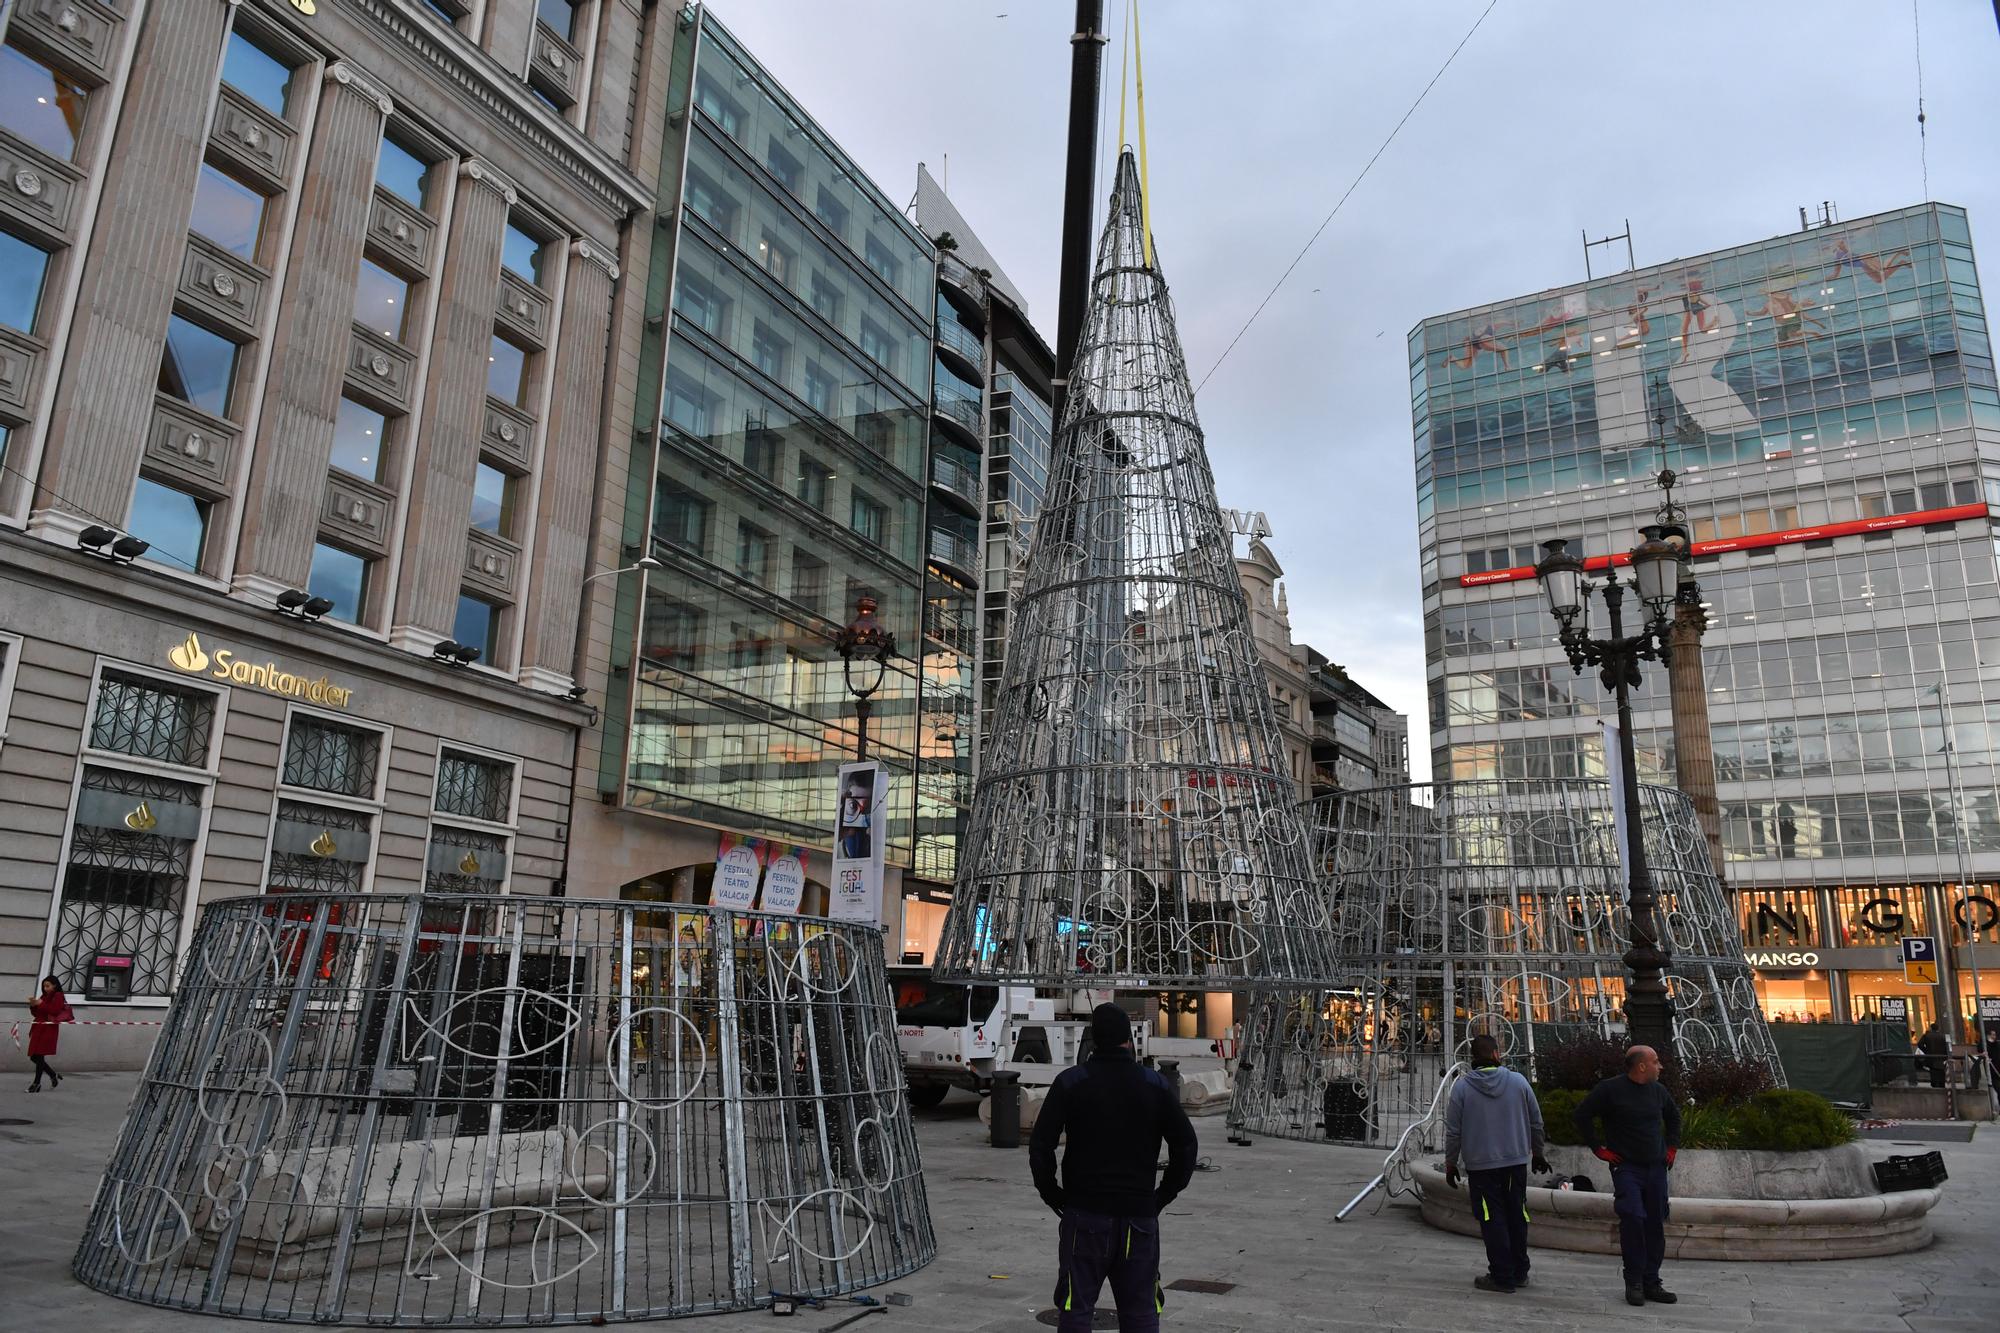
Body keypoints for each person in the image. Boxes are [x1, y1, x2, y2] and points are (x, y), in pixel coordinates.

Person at [1029, 1003, 1197, 1333]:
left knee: (1076, 1307)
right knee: (1141, 1311)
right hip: (1138, 1218)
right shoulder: (1155, 1085)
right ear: (1129, 1041)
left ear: (1094, 1042)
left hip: (1085, 1215)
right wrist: (1161, 1195)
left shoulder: (1071, 1082)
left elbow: (1041, 1144)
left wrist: (1052, 1193)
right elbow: (1186, 1146)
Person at [1573, 1045, 1682, 1307]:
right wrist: (1598, 1149)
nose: (1661, 1066)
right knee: (1632, 1217)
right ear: (1641, 1066)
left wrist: (1671, 1148)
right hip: (1627, 1168)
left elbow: (1674, 1117)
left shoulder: (1659, 1091)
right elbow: (1582, 1114)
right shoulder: (1610, 1090)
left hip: (1656, 1167)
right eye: (1656, 1062)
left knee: (1655, 1223)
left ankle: (1651, 1281)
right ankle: (1633, 1281)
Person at [1443, 1034, 1551, 1294]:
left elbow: (1453, 1131)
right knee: (1517, 1214)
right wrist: (1537, 1153)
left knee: (1491, 1218)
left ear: (1472, 1058)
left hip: (1481, 1166)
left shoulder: (1462, 1088)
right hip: (1514, 1162)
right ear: (1496, 1054)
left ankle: (1501, 1274)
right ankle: (1519, 1270)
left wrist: (1450, 1163)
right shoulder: (1518, 1081)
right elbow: (1536, 1121)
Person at [26, 975, 73, 1091]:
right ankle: (53, 1075)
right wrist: (33, 1006)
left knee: (39, 1055)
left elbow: (54, 1010)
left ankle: (36, 1084)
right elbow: (37, 1014)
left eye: (48, 986)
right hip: (39, 1026)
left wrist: (40, 1003)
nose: (45, 988)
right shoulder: (45, 995)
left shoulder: (58, 996)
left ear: (55, 985)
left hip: (48, 1028)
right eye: (44, 986)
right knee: (34, 1056)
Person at [1916, 1019, 1949, 1090]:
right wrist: (1946, 1056)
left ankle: (1935, 1084)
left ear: (1931, 1028)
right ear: (1938, 1028)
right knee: (1941, 1072)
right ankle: (1941, 1085)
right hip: (1941, 1058)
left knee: (1933, 1071)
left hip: (1931, 1057)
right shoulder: (1943, 1036)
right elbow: (1947, 1047)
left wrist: (1926, 1051)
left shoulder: (1927, 1035)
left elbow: (1919, 1044)